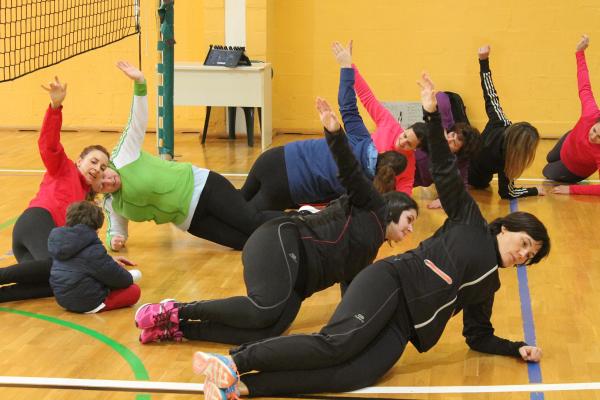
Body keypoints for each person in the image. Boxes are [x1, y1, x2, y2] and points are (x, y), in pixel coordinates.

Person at [191, 73, 551, 399]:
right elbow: (443, 168)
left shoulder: (489, 285)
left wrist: (514, 347)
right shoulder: (471, 221)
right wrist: (429, 116)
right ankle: (236, 360)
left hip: (404, 326)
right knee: (336, 346)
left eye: (530, 256)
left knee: (351, 375)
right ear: (506, 227)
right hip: (392, 283)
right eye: (524, 244)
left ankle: (242, 387)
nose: (523, 255)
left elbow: (478, 335)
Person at [133, 96, 419, 345]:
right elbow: (349, 171)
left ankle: (177, 329)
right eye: (409, 219)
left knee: (271, 328)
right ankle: (175, 310)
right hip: (281, 240)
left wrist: (358, 327)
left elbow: (352, 293)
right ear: (392, 207)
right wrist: (334, 133)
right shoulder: (370, 205)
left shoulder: (369, 246)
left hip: (295, 276)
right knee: (266, 309)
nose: (410, 229)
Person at [98, 62, 281, 252]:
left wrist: (140, 83)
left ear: (106, 164)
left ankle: (308, 220)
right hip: (191, 221)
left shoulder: (123, 156)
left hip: (202, 186)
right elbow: (116, 230)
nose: (108, 181)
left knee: (253, 222)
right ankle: (289, 239)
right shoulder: (112, 204)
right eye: (101, 185)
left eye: (104, 173)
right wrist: (114, 241)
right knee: (243, 243)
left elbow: (137, 120)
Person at [240, 44, 408, 212]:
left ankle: (212, 187)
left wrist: (345, 66)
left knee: (237, 202)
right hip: (287, 186)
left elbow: (347, 105)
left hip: (275, 157)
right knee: (245, 220)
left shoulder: (363, 139)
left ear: (382, 152)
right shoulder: (360, 187)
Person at [0, 77, 110, 303]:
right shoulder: (63, 167)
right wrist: (55, 107)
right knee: (57, 266)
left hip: (38, 243)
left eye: (102, 167)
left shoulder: (85, 206)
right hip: (35, 221)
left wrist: (110, 262)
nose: (97, 168)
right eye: (93, 161)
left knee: (57, 281)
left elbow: (83, 243)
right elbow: (48, 144)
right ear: (79, 161)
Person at [349, 40, 480, 208]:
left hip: (368, 188)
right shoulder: (392, 126)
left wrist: (445, 199)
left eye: (454, 143)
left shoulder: (409, 167)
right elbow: (367, 98)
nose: (449, 140)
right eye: (451, 135)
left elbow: (407, 194)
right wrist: (348, 67)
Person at [468, 45, 544, 199]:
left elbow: (490, 94)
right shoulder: (508, 161)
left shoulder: (501, 122)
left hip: (457, 159)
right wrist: (534, 190)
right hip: (475, 180)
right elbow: (507, 192)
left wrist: (484, 61)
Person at [49, 201, 141, 313]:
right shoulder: (92, 247)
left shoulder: (59, 240)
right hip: (88, 302)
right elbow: (118, 279)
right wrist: (129, 277)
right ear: (95, 227)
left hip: (63, 300)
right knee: (134, 291)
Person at [544, 35, 600, 196]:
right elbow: (584, 85)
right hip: (569, 142)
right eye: (595, 130)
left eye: (599, 138)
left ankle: (568, 176)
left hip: (573, 168)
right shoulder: (591, 113)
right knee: (549, 157)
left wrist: (571, 190)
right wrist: (579, 53)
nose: (593, 136)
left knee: (547, 171)